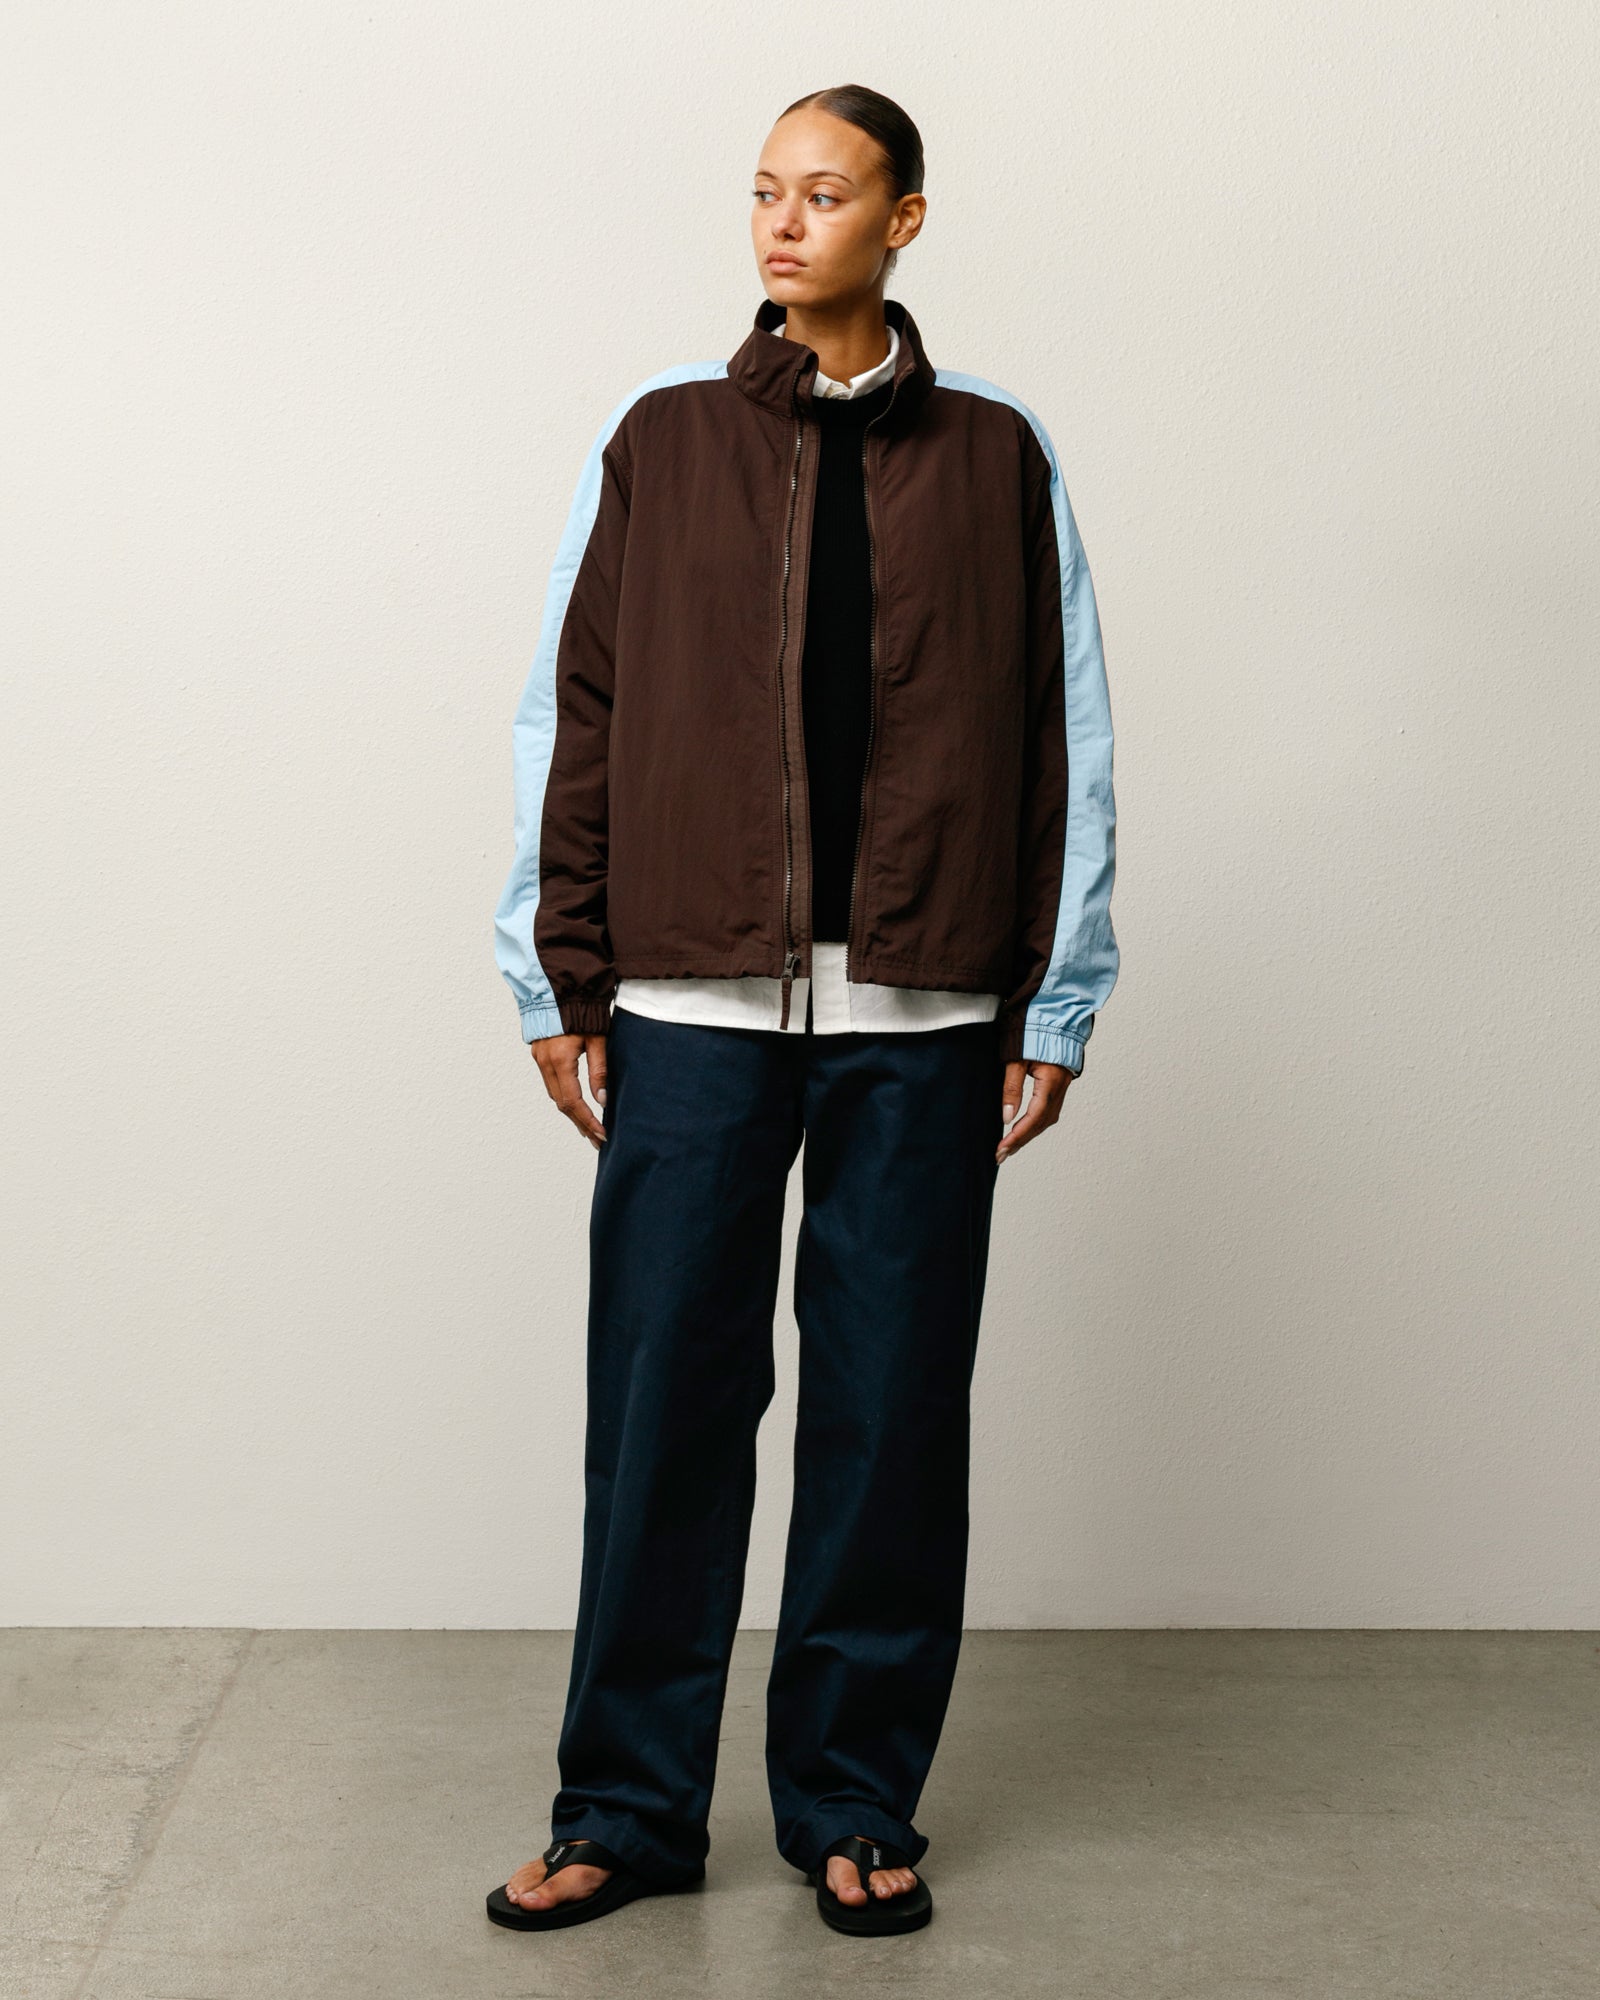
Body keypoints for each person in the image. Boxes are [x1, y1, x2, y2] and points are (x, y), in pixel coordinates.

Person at [487, 82, 1118, 1939]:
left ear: (903, 220)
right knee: (662, 1413)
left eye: (825, 193)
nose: (782, 221)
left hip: (924, 1011)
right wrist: (558, 970)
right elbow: (575, 708)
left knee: (889, 1420)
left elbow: (1066, 734)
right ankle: (624, 1808)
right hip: (690, 998)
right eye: (765, 190)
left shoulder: (998, 454)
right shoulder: (663, 438)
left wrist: (1055, 999)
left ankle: (851, 1797)